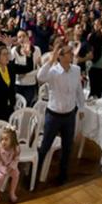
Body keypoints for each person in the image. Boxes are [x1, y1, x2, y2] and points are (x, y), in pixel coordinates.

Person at [36, 39, 86, 185]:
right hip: (54, 115)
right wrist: (51, 59)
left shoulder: (76, 70)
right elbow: (40, 77)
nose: (71, 54)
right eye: (69, 53)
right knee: (45, 146)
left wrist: (81, 107)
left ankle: (62, 175)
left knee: (67, 147)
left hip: (69, 115)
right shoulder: (53, 71)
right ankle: (34, 174)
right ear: (61, 56)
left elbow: (78, 90)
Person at [0, 44, 33, 121]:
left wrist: (28, 56)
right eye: (4, 54)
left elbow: (28, 68)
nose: (7, 56)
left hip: (9, 107)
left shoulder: (11, 67)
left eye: (8, 54)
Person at [0, 125, 21, 203]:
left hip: (9, 164)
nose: (3, 142)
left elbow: (16, 159)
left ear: (13, 140)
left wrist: (11, 166)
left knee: (16, 174)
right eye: (2, 139)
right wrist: (3, 168)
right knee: (1, 176)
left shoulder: (16, 148)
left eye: (6, 139)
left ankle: (12, 192)